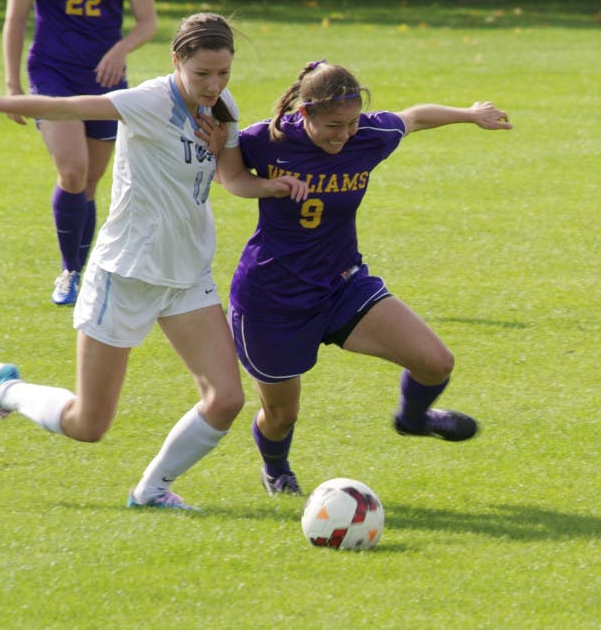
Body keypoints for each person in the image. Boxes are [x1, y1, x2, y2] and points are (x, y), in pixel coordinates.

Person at [0, 13, 307, 510]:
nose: (214, 85)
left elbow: (231, 178)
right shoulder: (149, 100)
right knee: (90, 424)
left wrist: (272, 187)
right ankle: (9, 392)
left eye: (223, 74)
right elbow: (67, 106)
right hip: (127, 273)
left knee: (226, 399)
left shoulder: (223, 106)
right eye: (202, 75)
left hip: (187, 275)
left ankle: (150, 492)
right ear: (176, 62)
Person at [218, 60, 513, 495]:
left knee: (436, 363)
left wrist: (470, 114)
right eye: (334, 125)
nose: (345, 134)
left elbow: (414, 117)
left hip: (341, 284)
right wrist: (268, 186)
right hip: (272, 300)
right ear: (305, 114)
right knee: (282, 416)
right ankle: (277, 469)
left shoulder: (369, 137)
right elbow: (231, 176)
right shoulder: (268, 139)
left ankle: (412, 420)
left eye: (352, 123)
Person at [3, 0, 158, 305]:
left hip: (104, 77)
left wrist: (120, 50)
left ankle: (84, 275)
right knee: (72, 171)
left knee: (90, 181)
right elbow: (16, 18)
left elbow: (148, 23)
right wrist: (13, 85)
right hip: (52, 73)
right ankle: (69, 272)